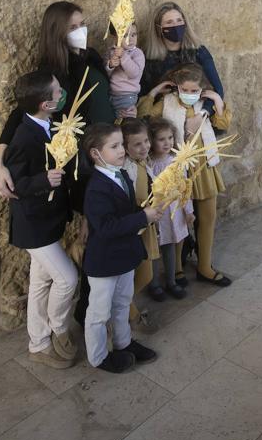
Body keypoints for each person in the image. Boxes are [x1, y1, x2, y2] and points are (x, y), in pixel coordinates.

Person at [0, 1, 116, 201]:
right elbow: (22, 111)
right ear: (57, 32)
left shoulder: (90, 55)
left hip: (112, 141)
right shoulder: (52, 72)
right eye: (72, 28)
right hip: (87, 153)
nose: (81, 31)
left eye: (82, 24)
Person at [4, 71, 77, 369]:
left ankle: (38, 341)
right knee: (67, 278)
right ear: (46, 104)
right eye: (58, 92)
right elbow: (14, 186)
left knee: (41, 281)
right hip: (33, 224)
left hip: (48, 220)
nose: (63, 94)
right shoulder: (23, 136)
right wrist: (43, 180)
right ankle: (58, 327)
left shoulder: (50, 124)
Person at [138, 62, 232, 287]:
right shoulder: (166, 103)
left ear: (202, 89)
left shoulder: (204, 104)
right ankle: (177, 269)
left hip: (204, 167)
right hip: (176, 170)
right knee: (177, 218)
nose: (190, 95)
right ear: (177, 87)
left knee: (207, 218)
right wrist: (154, 92)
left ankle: (205, 266)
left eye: (194, 91)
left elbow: (223, 123)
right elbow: (143, 115)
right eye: (185, 90)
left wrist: (217, 100)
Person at [82, 123, 163, 374]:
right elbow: (106, 227)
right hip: (105, 261)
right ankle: (98, 357)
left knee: (122, 302)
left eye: (121, 145)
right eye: (114, 146)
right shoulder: (96, 187)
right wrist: (142, 218)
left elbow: (125, 213)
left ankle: (124, 343)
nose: (121, 150)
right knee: (98, 312)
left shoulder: (122, 175)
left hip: (125, 254)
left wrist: (145, 213)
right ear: (96, 154)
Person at [140, 1, 224, 118]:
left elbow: (217, 89)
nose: (175, 26)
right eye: (169, 22)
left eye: (179, 20)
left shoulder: (199, 52)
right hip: (163, 123)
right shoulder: (148, 58)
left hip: (198, 115)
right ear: (159, 28)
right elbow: (142, 94)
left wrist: (203, 114)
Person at [146, 116, 194, 300]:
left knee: (171, 245)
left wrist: (188, 210)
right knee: (155, 248)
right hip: (157, 212)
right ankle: (154, 283)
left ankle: (171, 280)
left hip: (174, 212)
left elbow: (184, 188)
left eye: (170, 138)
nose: (167, 143)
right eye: (161, 139)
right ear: (152, 141)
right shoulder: (149, 163)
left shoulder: (177, 162)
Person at [121, 118, 159, 333]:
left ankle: (126, 306)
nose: (144, 146)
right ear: (126, 148)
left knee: (147, 274)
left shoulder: (145, 162)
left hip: (148, 223)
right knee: (144, 273)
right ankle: (129, 310)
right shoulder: (128, 169)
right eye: (137, 144)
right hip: (138, 226)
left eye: (146, 141)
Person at [105, 22, 145, 117]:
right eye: (125, 35)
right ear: (115, 37)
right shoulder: (111, 51)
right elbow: (106, 75)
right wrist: (110, 65)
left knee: (126, 120)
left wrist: (123, 56)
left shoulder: (137, 53)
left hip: (127, 96)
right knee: (114, 120)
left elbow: (134, 73)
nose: (130, 39)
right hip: (111, 94)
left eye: (133, 35)